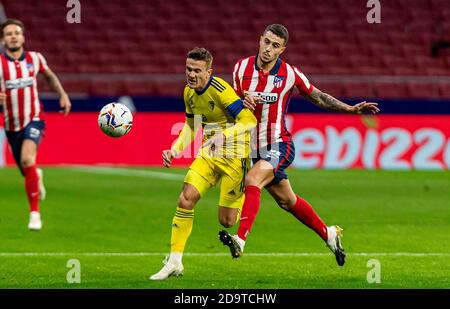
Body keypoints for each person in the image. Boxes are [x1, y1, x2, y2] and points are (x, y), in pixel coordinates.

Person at [219, 24, 380, 266]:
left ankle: (240, 241)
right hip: (254, 149)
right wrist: (242, 102)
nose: (268, 49)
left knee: (253, 180)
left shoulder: (290, 74)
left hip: (279, 143)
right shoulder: (240, 68)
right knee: (287, 201)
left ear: (282, 49)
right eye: (266, 42)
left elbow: (317, 96)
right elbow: (232, 109)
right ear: (259, 39)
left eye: (275, 45)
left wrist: (349, 109)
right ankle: (329, 234)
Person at [150, 47, 257, 280]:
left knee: (226, 221)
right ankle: (175, 261)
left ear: (209, 71)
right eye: (188, 69)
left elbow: (249, 120)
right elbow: (190, 126)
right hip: (209, 154)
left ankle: (244, 199)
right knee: (185, 198)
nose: (191, 74)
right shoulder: (188, 92)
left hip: (235, 157)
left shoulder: (221, 91)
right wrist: (175, 150)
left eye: (197, 70)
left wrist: (223, 135)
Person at [0, 19, 71, 230]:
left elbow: (49, 76)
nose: (13, 36)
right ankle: (35, 174)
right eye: (9, 33)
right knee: (26, 168)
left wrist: (63, 95)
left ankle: (34, 214)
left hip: (34, 118)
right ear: (3, 40)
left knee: (26, 158)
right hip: (12, 124)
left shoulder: (35, 58)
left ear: (23, 37)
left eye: (17, 32)